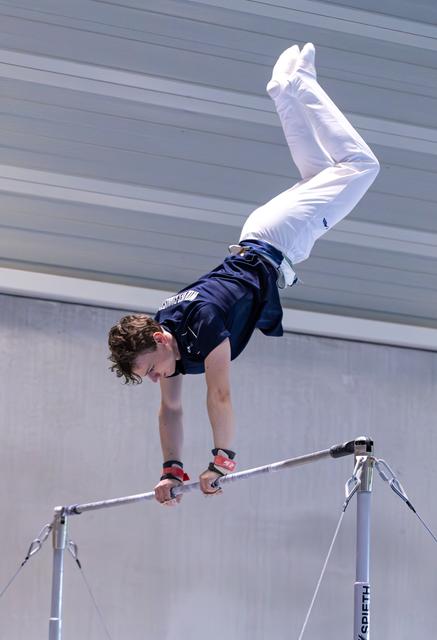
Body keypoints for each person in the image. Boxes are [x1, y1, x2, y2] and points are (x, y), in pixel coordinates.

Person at [108, 43, 379, 506]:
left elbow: (220, 395)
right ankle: (284, 90)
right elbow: (171, 409)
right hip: (270, 242)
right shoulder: (170, 342)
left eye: (151, 369)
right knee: (319, 172)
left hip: (276, 239)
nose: (157, 378)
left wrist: (222, 459)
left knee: (360, 166)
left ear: (159, 338)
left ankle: (299, 85)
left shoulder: (202, 322)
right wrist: (171, 470)